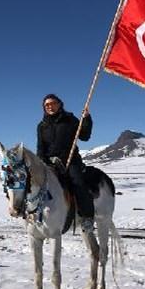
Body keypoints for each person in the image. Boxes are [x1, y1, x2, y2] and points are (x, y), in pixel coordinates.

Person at [37, 94, 95, 233]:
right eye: (47, 105)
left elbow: (85, 136)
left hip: (70, 160)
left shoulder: (70, 120)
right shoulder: (42, 125)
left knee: (78, 183)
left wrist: (86, 119)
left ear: (59, 104)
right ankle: (36, 216)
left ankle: (87, 218)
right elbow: (40, 147)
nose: (50, 106)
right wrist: (42, 162)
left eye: (53, 103)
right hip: (50, 162)